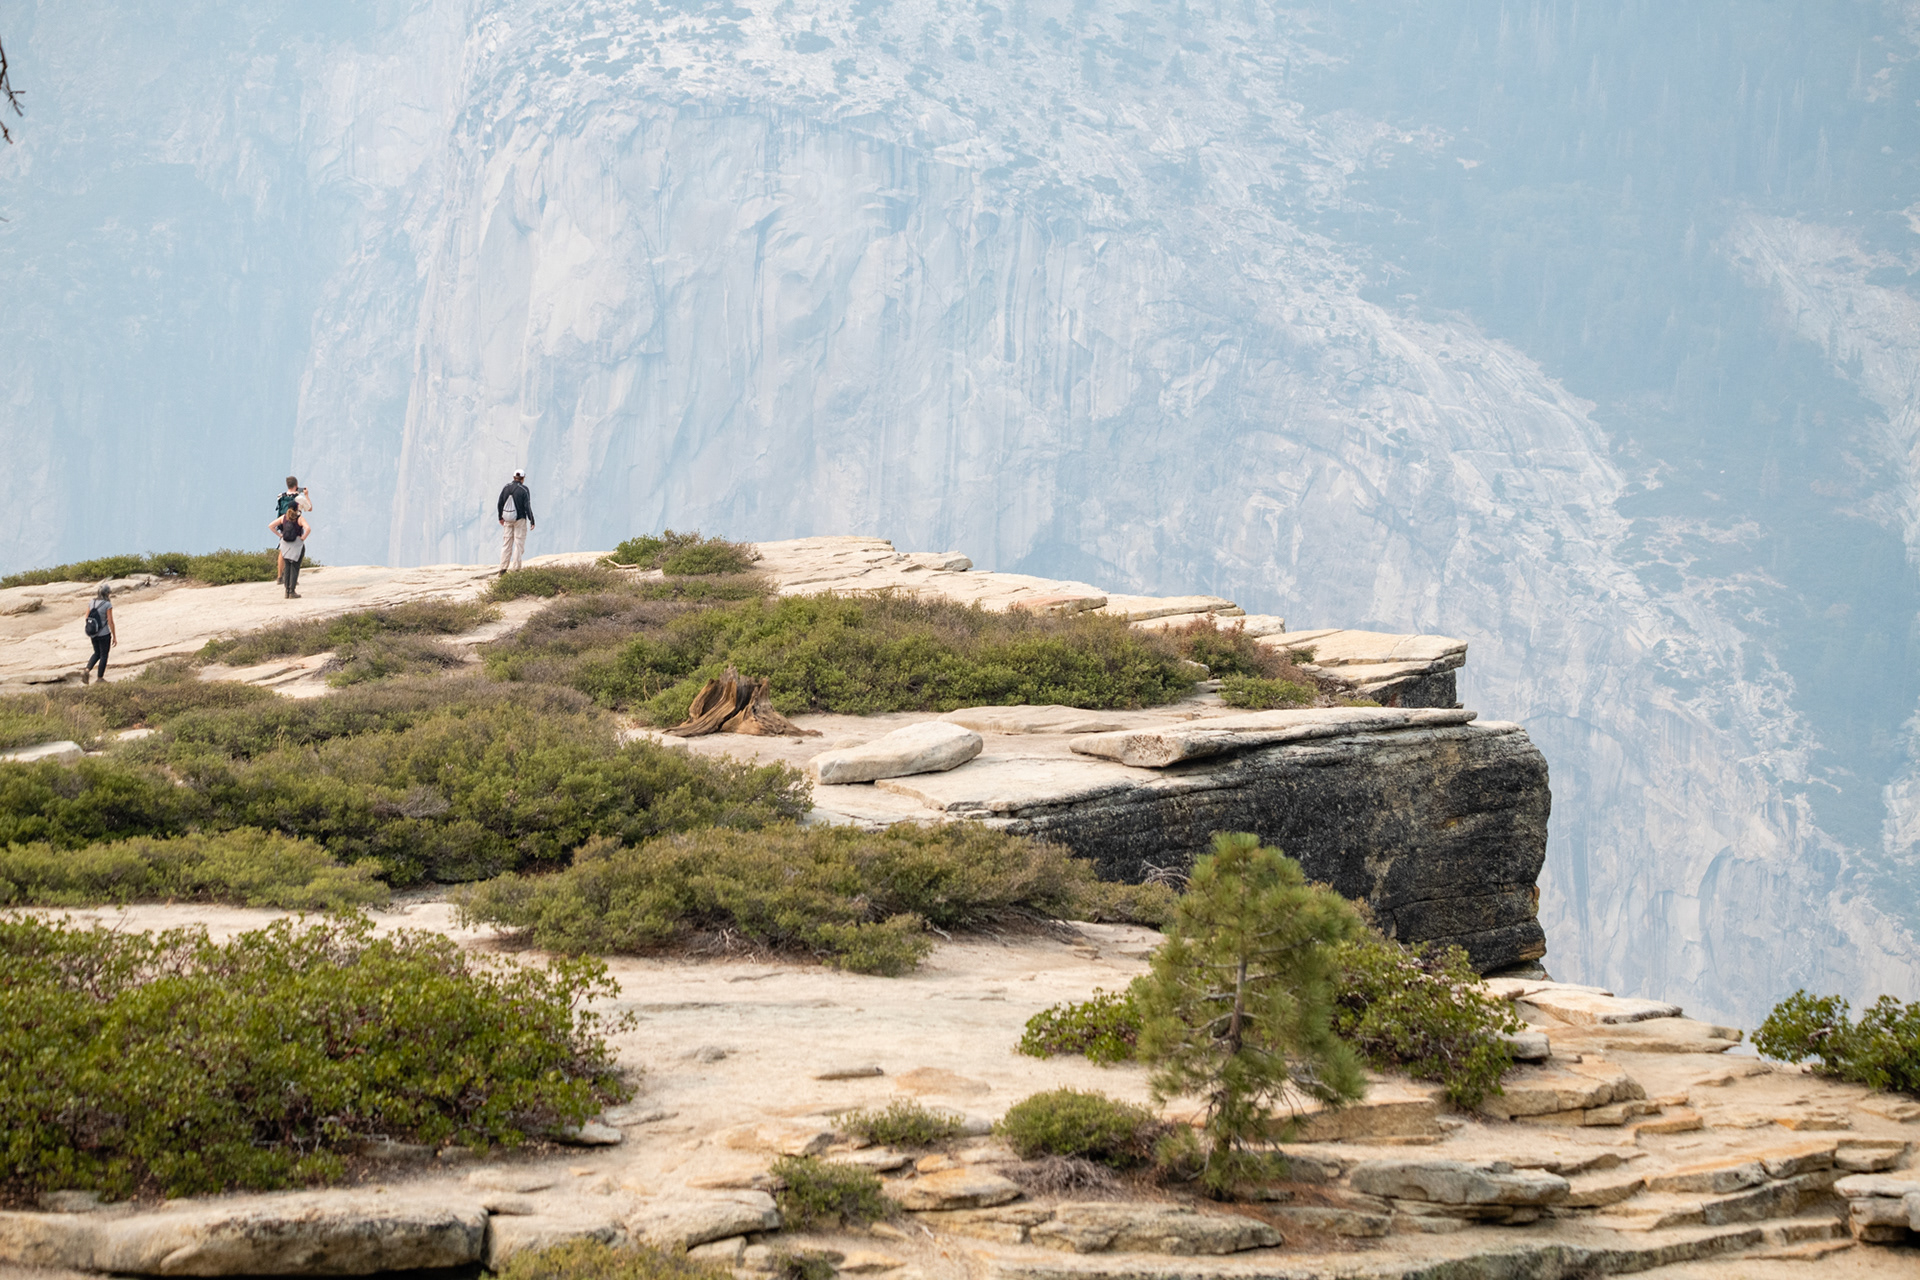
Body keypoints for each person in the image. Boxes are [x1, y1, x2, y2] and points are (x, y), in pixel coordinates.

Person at [497, 468, 535, 574]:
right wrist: (532, 520)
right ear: (522, 478)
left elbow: (500, 503)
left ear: (514, 477)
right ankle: (516, 569)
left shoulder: (506, 488)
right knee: (518, 543)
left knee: (507, 543)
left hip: (507, 519)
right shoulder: (524, 489)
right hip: (520, 520)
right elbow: (527, 506)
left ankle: (503, 568)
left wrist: (500, 517)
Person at [275, 477, 312, 581]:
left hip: (284, 524)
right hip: (296, 525)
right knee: (296, 552)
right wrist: (306, 495)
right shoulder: (300, 498)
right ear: (296, 485)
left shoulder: (280, 496)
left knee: (283, 550)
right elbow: (309, 508)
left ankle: (279, 576)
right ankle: (292, 579)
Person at [270, 504, 310, 599]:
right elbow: (308, 528)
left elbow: (271, 526)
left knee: (287, 567)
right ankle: (292, 591)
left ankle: (287, 591)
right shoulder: (299, 518)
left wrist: (280, 535)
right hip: (297, 544)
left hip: (285, 544)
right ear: (297, 508)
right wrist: (303, 538)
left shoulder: (283, 518)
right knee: (295, 567)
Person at [81, 583, 115, 685]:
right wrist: (114, 636)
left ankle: (87, 670)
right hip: (104, 634)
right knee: (104, 655)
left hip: (93, 633)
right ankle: (100, 678)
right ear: (107, 594)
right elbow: (110, 621)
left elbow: (87, 617)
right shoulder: (107, 605)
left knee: (96, 653)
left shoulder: (92, 602)